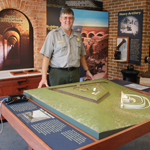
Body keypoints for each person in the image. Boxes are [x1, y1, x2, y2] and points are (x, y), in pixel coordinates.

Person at [38, 8, 93, 88]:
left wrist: (87, 71)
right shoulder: (53, 35)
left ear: (73, 20)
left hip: (75, 73)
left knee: (73, 97)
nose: (68, 20)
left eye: (70, 18)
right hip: (58, 74)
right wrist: (43, 77)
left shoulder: (77, 35)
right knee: (57, 98)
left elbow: (81, 56)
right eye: (65, 18)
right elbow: (46, 57)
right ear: (60, 19)